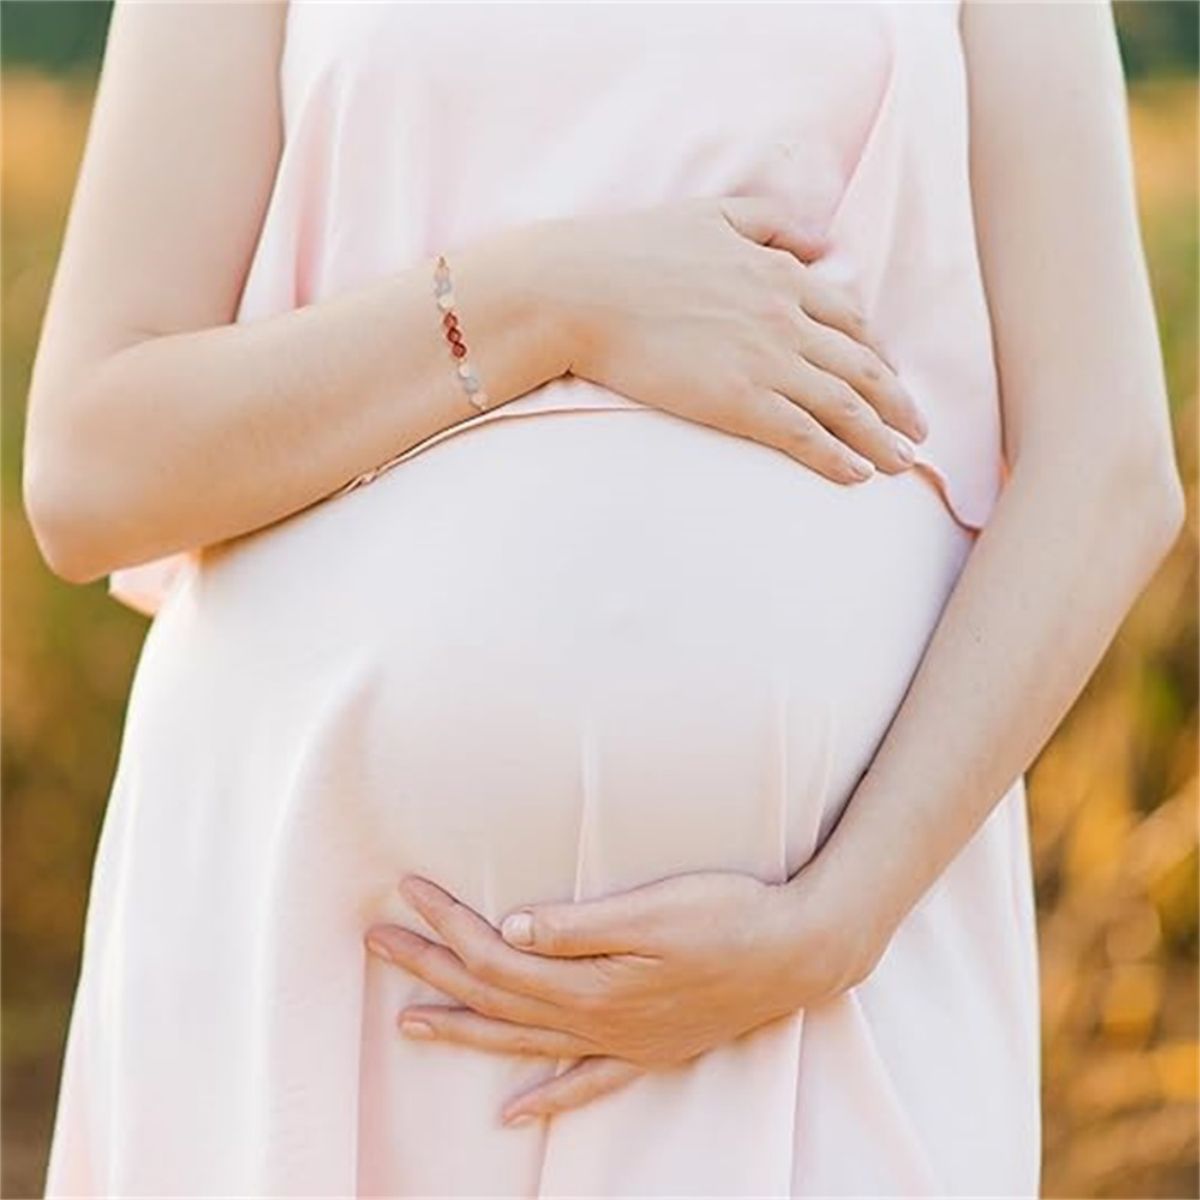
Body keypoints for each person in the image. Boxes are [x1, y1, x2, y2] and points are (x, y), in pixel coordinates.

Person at [26, 1, 1183, 1195]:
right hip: (324, 949)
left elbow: (1108, 469)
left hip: (808, 994)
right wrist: (551, 302)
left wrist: (837, 923)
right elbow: (90, 468)